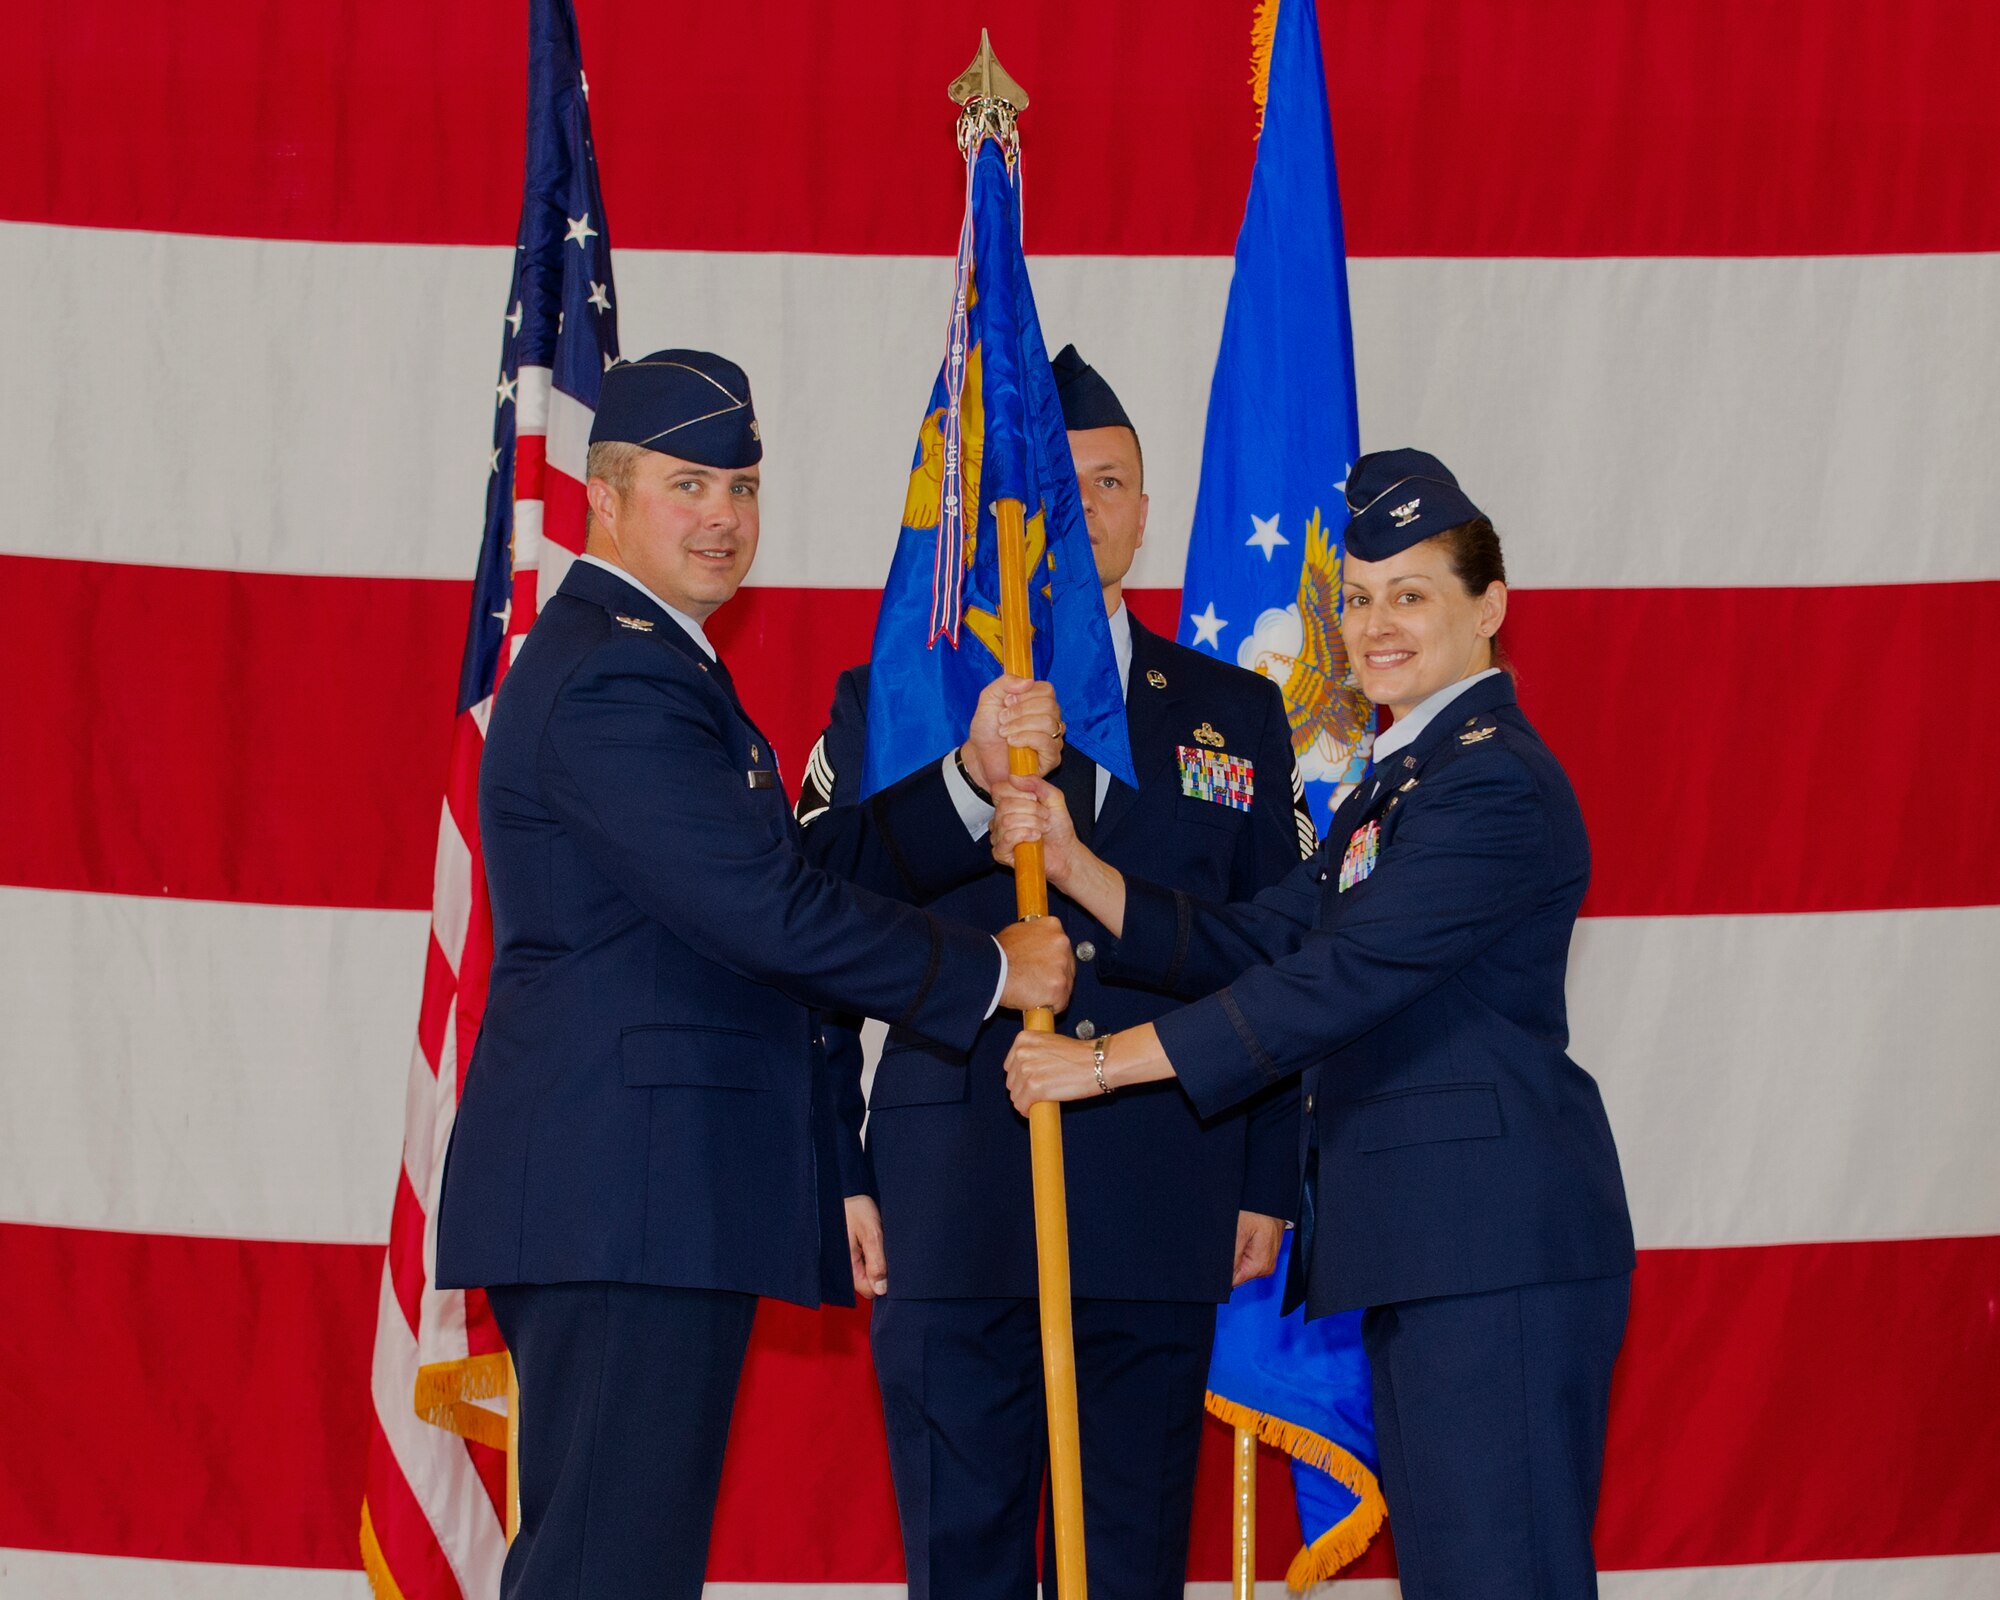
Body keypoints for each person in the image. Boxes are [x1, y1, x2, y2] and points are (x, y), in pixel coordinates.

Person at [434, 349, 1075, 1600]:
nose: (724, 513)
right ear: (604, 496)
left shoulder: (659, 660)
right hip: (627, 1194)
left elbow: (785, 869)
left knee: (623, 1564)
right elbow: (764, 909)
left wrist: (963, 786)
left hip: (650, 1192)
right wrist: (988, 970)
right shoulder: (616, 672)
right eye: (688, 483)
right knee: (605, 1571)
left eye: (740, 483)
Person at [994, 449, 1637, 1600]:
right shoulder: (1405, 782)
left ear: (1489, 607)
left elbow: (1333, 981)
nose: (1374, 623)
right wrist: (1082, 868)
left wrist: (1098, 1064)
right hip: (1432, 1245)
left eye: (1411, 593)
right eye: (1356, 595)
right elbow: (1264, 936)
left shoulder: (1488, 786)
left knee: (1502, 1575)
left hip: (1489, 1251)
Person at [793, 346, 1314, 1600]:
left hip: (1159, 1177)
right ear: (998, 525)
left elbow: (1280, 953)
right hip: (948, 1188)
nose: (1079, 511)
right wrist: (841, 1169)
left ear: (1143, 509)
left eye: (1108, 484)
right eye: (1050, 487)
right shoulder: (904, 699)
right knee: (959, 1557)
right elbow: (806, 924)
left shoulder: (1229, 714)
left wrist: (1264, 1175)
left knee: (1126, 1559)